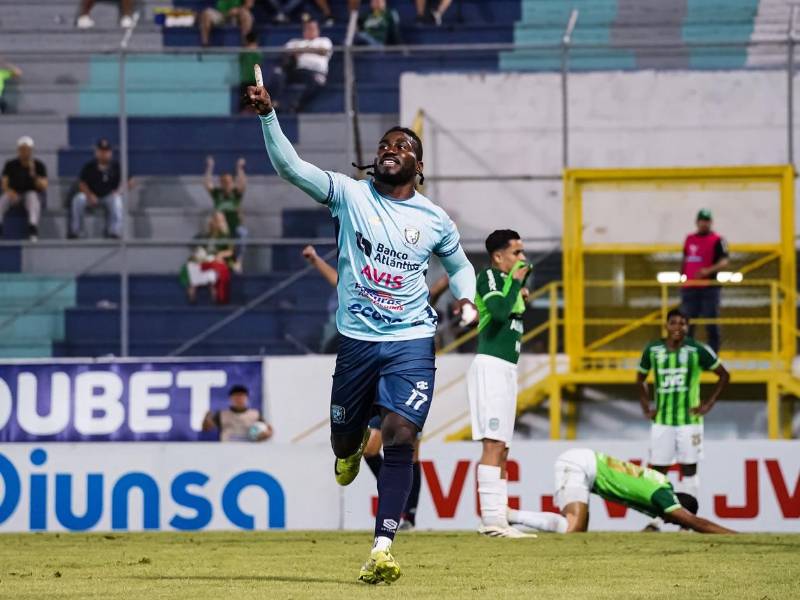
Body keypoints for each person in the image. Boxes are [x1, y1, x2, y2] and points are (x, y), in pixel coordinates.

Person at [248, 81, 476, 584]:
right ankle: (347, 450)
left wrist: (467, 299)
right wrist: (269, 116)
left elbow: (460, 268)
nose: (391, 149)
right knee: (344, 438)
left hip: (412, 340)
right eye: (385, 145)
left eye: (403, 146)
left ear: (419, 166)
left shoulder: (435, 219)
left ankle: (383, 546)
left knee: (401, 435)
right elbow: (292, 168)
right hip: (356, 342)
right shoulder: (350, 195)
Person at [302, 244, 423, 529]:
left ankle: (409, 516)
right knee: (370, 448)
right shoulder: (361, 289)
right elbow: (337, 282)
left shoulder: (406, 292)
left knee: (408, 448)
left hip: (400, 376)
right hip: (370, 376)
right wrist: (316, 260)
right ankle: (397, 500)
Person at [636, 308, 729, 531]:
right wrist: (646, 405)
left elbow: (724, 375)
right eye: (674, 323)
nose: (678, 327)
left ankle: (687, 521)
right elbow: (640, 378)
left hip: (689, 422)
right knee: (658, 472)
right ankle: (657, 521)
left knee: (689, 470)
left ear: (688, 327)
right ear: (666, 325)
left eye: (682, 324)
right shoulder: (653, 349)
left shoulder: (697, 350)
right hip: (662, 421)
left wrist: (708, 404)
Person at [469, 230, 533, 538]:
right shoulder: (490, 277)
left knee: (503, 446)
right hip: (491, 367)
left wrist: (517, 289)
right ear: (498, 256)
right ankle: (492, 520)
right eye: (516, 252)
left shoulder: (508, 284)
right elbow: (496, 312)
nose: (522, 258)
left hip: (507, 370)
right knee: (492, 442)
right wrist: (517, 284)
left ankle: (501, 518)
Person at [507, 448, 735, 534]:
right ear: (679, 506)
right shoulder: (663, 495)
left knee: (576, 532)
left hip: (584, 464)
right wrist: (734, 537)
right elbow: (699, 523)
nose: (668, 522)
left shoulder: (661, 485)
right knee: (573, 528)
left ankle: (509, 516)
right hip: (579, 465)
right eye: (676, 521)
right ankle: (508, 515)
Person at [680, 209, 729, 353]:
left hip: (709, 287)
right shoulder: (689, 239)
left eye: (706, 221)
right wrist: (682, 277)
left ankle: (713, 353)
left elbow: (724, 261)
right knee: (687, 322)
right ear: (697, 222)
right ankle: (686, 352)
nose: (704, 224)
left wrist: (707, 271)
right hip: (690, 287)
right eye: (701, 221)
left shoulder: (718, 240)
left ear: (710, 223)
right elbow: (685, 259)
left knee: (711, 321)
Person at [267, 19, 333, 114]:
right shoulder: (295, 42)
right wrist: (309, 50)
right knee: (278, 74)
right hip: (297, 71)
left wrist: (301, 50)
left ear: (318, 30)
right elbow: (286, 51)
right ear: (304, 30)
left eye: (313, 28)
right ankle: (274, 103)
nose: (310, 31)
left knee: (317, 82)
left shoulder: (323, 41)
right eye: (308, 28)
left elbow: (323, 51)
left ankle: (297, 105)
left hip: (316, 72)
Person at [69, 139, 123, 239]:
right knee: (78, 199)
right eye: (101, 151)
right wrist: (89, 195)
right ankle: (76, 231)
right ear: (97, 152)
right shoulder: (89, 166)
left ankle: (114, 231)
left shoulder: (116, 166)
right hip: (92, 196)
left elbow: (130, 180)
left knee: (117, 201)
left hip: (109, 196)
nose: (104, 154)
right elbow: (81, 183)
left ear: (110, 152)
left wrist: (119, 191)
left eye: (106, 151)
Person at [179, 213, 234, 304]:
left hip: (216, 261)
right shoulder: (206, 234)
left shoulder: (225, 236)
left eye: (219, 220)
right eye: (215, 220)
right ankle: (192, 297)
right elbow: (194, 245)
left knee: (212, 272)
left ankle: (215, 298)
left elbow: (230, 251)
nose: (217, 222)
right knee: (192, 267)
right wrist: (197, 253)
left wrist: (220, 254)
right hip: (204, 259)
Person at [204, 155, 247, 271]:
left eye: (229, 182)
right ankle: (212, 259)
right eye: (224, 182)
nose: (226, 184)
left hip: (234, 226)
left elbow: (242, 185)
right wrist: (210, 167)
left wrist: (240, 168)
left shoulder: (235, 194)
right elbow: (207, 184)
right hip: (221, 227)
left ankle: (238, 260)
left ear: (232, 182)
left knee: (243, 233)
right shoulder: (218, 194)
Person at [0, 136, 47, 241]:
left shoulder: (38, 165)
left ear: (31, 151)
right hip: (14, 194)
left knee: (32, 197)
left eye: (27, 150)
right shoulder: (10, 164)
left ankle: (32, 229)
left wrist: (34, 175)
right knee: (3, 199)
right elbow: (4, 183)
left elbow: (43, 186)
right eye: (22, 149)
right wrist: (9, 191)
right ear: (18, 150)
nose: (25, 152)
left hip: (30, 195)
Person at [202, 384, 273, 441]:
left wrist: (266, 434)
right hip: (227, 451)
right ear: (231, 398)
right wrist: (207, 419)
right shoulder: (222, 414)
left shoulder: (255, 414)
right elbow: (206, 428)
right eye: (236, 396)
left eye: (242, 396)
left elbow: (268, 430)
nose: (239, 399)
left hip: (249, 451)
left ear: (246, 398)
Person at [238, 32, 262, 113]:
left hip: (251, 81)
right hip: (249, 81)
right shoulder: (256, 52)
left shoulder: (245, 52)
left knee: (251, 104)